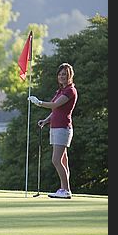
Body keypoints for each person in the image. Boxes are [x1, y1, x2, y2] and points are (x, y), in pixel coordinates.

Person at [28, 63, 78, 199]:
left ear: (69, 76)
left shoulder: (70, 91)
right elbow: (55, 110)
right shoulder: (60, 91)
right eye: (60, 74)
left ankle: (66, 190)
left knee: (56, 160)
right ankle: (64, 188)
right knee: (63, 160)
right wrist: (46, 120)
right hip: (55, 127)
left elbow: (55, 104)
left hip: (63, 128)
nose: (62, 76)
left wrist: (39, 102)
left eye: (65, 74)